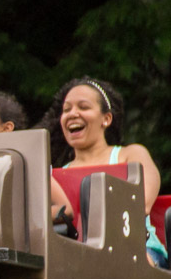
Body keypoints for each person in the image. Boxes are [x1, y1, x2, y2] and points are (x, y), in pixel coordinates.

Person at [38, 77, 167, 267]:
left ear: (106, 119)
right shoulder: (55, 175)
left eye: (83, 107)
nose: (73, 114)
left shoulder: (129, 154)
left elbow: (142, 201)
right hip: (77, 258)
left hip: (138, 251)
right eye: (66, 110)